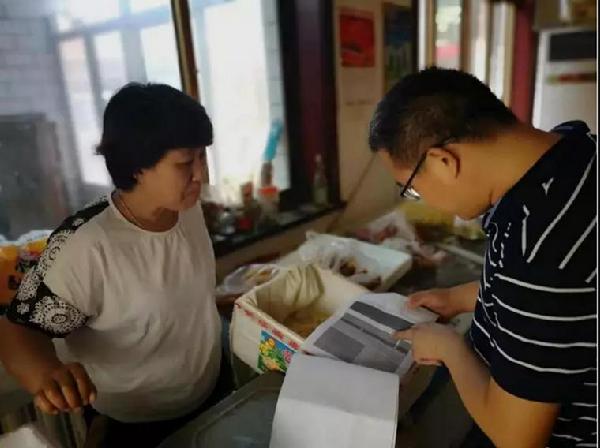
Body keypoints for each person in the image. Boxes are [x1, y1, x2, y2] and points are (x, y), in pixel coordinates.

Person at [369, 67, 597, 447]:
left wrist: (448, 347)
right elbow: (563, 307)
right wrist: (457, 298)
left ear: (443, 161)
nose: (423, 201)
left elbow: (516, 438)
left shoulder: (539, 250)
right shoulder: (575, 148)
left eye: (412, 188)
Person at [0, 83, 231, 447]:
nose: (201, 173)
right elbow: (18, 331)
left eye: (203, 156)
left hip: (210, 389)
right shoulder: (86, 245)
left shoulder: (186, 207)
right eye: (186, 162)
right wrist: (48, 375)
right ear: (138, 167)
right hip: (137, 421)